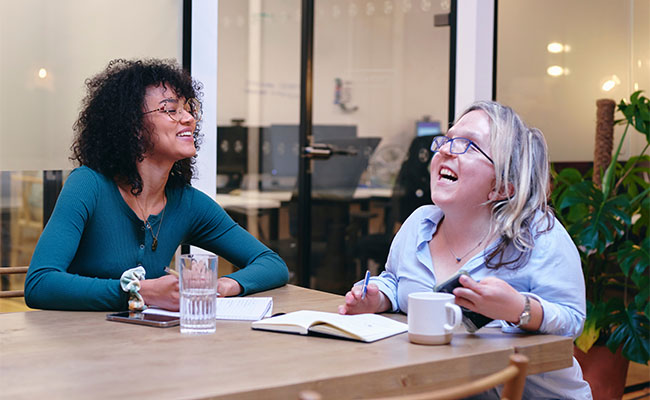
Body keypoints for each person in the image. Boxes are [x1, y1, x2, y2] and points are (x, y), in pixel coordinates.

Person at [338, 101, 592, 399]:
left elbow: (572, 321)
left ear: (502, 186)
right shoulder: (419, 223)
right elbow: (396, 281)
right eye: (446, 140)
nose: (445, 149)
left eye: (468, 145)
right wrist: (377, 296)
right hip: (444, 388)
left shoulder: (539, 233)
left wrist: (517, 309)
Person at [25, 59, 289, 311]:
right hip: (79, 347)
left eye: (188, 108)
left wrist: (221, 286)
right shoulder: (88, 185)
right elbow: (40, 283)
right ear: (133, 127)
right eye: (171, 110)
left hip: (151, 347)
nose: (188, 119)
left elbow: (271, 264)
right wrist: (140, 292)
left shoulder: (187, 203)